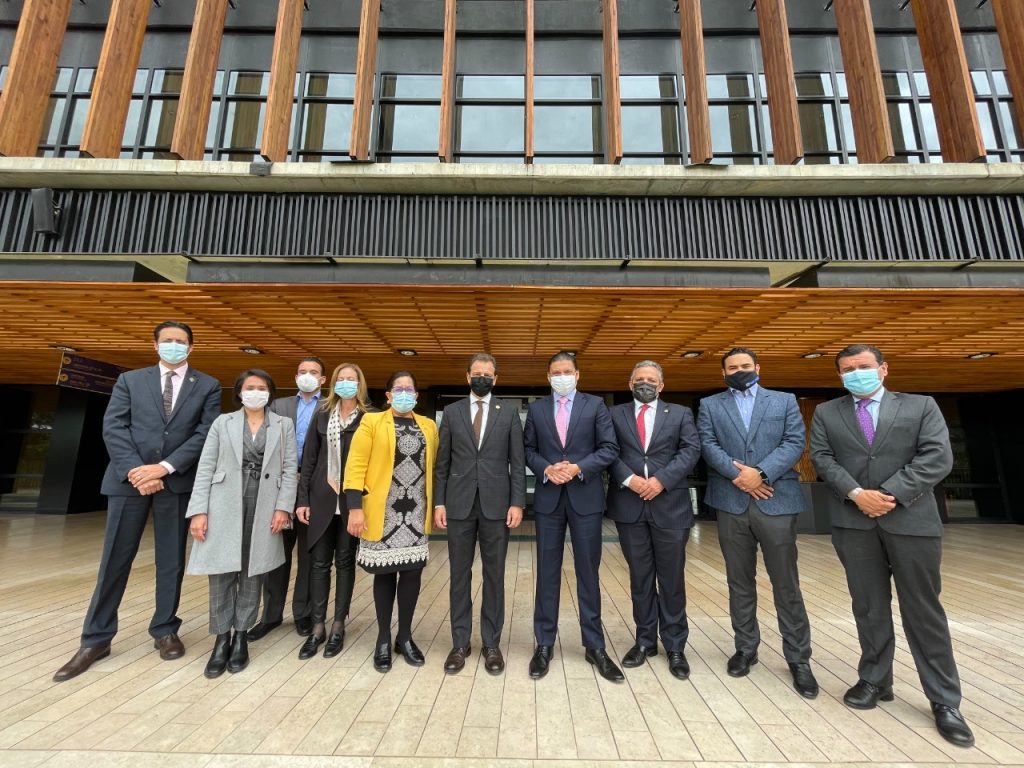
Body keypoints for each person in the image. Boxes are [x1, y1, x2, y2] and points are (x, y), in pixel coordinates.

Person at [810, 344, 973, 747]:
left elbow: (937, 457)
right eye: (848, 369)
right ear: (840, 375)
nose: (856, 373)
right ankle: (874, 679)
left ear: (883, 369)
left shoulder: (921, 406)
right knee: (868, 606)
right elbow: (823, 458)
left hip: (911, 522)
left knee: (923, 611)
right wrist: (856, 494)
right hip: (854, 522)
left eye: (863, 366)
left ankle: (944, 700)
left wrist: (889, 494)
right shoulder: (828, 413)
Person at [53, 321, 221, 683]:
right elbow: (114, 426)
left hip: (175, 482)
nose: (174, 345)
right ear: (155, 345)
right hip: (128, 482)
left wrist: (163, 468)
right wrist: (137, 471)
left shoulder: (207, 385)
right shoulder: (130, 380)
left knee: (171, 561)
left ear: (191, 348)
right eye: (167, 341)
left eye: (181, 341)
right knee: (115, 559)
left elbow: (205, 432)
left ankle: (165, 629)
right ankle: (96, 639)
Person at [696, 347, 818, 699]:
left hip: (776, 500)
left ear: (758, 367)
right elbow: (708, 444)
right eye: (732, 367)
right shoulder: (710, 405)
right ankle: (746, 648)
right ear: (723, 373)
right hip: (731, 501)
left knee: (786, 583)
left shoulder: (784, 401)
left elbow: (794, 442)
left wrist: (761, 473)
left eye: (745, 366)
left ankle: (798, 658)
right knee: (739, 581)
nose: (739, 371)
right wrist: (740, 476)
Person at [185, 369, 297, 678]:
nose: (256, 392)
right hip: (223, 501)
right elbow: (206, 466)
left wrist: (283, 507)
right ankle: (221, 638)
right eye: (250, 387)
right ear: (239, 391)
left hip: (264, 502)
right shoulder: (223, 422)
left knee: (253, 570)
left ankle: (241, 637)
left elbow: (290, 468)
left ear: (270, 393)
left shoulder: (283, 425)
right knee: (222, 570)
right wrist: (199, 511)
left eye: (262, 387)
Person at [524, 351, 621, 682]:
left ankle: (595, 646)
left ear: (577, 375)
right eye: (556, 372)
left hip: (585, 498)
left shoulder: (596, 406)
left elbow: (609, 448)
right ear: (548, 376)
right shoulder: (537, 409)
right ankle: (544, 644)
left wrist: (578, 467)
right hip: (549, 500)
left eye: (567, 371)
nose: (562, 376)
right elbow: (528, 450)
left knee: (588, 573)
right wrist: (546, 468)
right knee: (547, 573)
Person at [606, 360, 700, 680]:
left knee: (672, 580)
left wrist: (661, 480)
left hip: (670, 505)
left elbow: (690, 450)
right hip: (628, 505)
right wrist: (630, 480)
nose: (644, 383)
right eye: (639, 379)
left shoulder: (680, 414)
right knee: (640, 578)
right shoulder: (614, 414)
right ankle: (645, 641)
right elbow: (608, 451)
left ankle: (675, 645)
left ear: (661, 386)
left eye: (650, 379)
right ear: (630, 383)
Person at [434, 353, 526, 675]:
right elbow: (442, 464)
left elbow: (517, 462)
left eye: (488, 374)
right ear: (467, 376)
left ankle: (491, 644)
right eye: (477, 373)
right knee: (459, 575)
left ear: (496, 379)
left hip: (497, 506)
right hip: (458, 505)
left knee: (494, 575)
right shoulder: (452, 412)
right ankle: (460, 643)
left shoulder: (509, 413)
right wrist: (439, 503)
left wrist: (517, 502)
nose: (482, 378)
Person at [343, 371, 438, 673]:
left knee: (412, 574)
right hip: (382, 511)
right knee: (384, 574)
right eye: (398, 389)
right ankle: (383, 637)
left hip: (416, 511)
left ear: (417, 395)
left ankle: (405, 637)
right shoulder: (371, 422)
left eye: (410, 389)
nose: (404, 394)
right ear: (388, 395)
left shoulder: (429, 425)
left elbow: (435, 466)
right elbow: (356, 465)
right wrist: (354, 508)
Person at [294, 362, 377, 660]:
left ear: (360, 383)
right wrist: (302, 500)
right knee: (318, 563)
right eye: (341, 379)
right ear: (333, 383)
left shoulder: (370, 417)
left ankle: (339, 625)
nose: (346, 383)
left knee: (344, 562)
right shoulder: (322, 414)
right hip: (321, 499)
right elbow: (309, 460)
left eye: (351, 379)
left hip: (352, 502)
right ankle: (318, 627)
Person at [248, 357, 326, 641]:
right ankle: (270, 615)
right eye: (303, 371)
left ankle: (303, 614)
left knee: (308, 554)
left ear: (322, 380)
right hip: (279, 486)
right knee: (276, 552)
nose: (307, 375)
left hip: (314, 488)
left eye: (313, 372)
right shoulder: (278, 406)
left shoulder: (328, 407)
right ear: (295, 377)